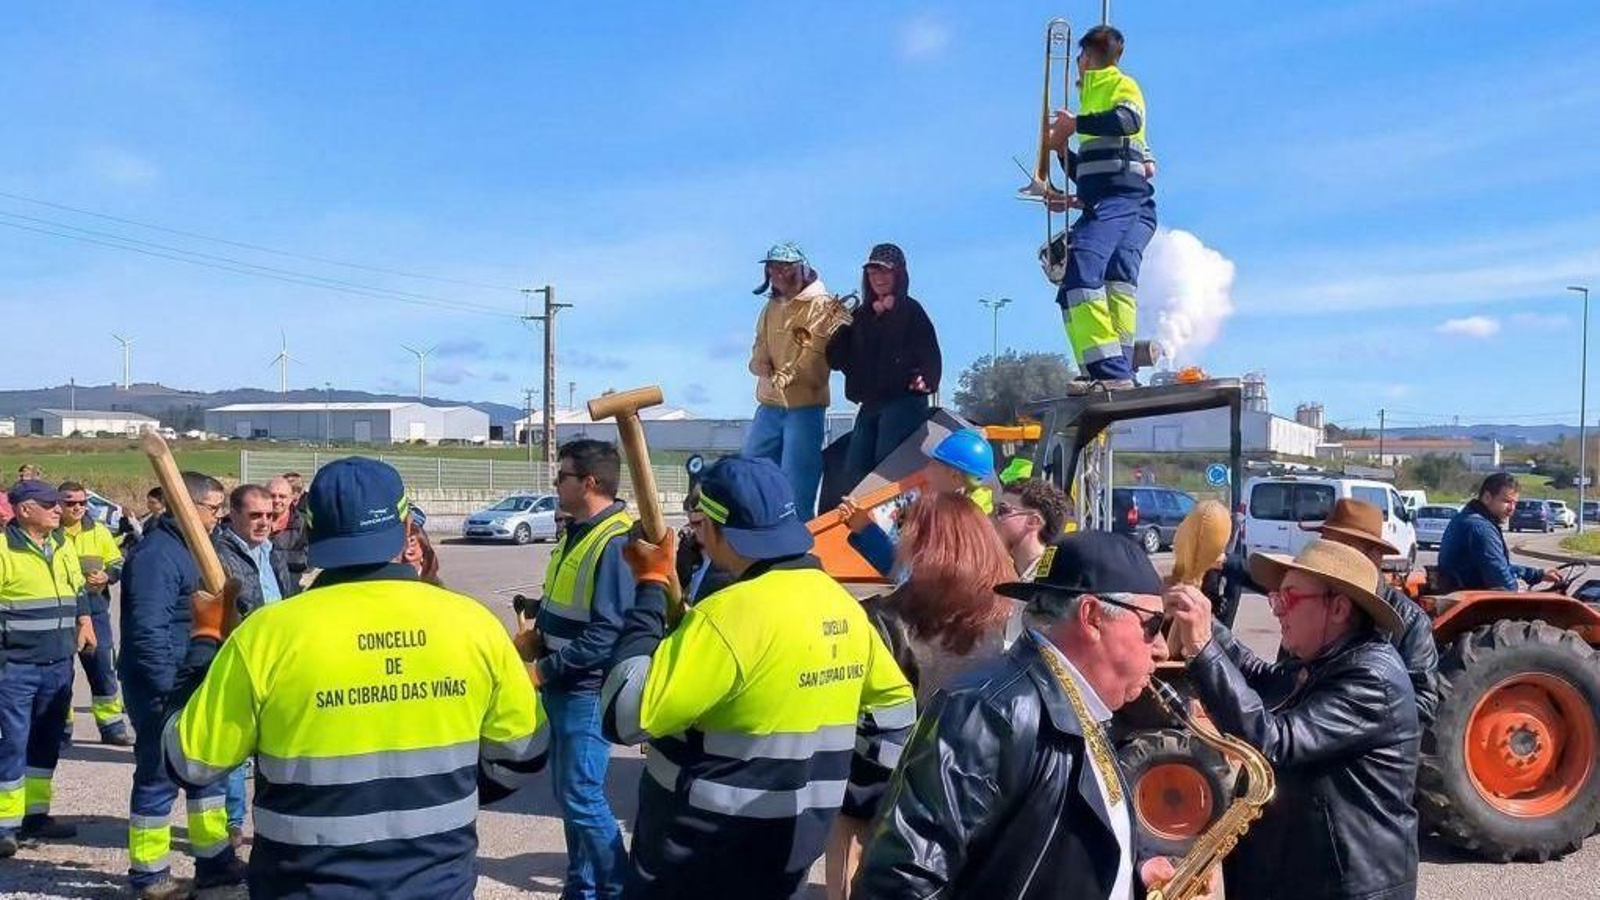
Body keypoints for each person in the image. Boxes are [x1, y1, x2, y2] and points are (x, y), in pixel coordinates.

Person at [159, 458, 548, 898]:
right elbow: (526, 753)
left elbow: (188, 761)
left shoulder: (266, 635)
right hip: (437, 882)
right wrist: (443, 798)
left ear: (307, 529)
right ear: (405, 530)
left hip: (303, 884)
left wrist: (205, 638)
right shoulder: (473, 625)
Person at [600, 455, 915, 899]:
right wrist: (843, 792)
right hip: (790, 850)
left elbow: (622, 714)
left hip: (699, 855)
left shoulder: (725, 618)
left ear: (712, 528)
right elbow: (897, 712)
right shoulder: (839, 604)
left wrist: (651, 587)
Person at [854, 530, 1197, 899]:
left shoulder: (1081, 704)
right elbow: (898, 883)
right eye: (1153, 626)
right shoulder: (987, 711)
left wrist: (1136, 870)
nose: (1162, 648)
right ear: (1093, 616)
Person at [1166, 539, 1420, 900]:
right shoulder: (1329, 658)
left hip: (1347, 888)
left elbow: (1272, 742)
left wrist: (1204, 648)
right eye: (1276, 597)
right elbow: (1258, 676)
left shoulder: (1371, 678)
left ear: (1338, 608)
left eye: (1290, 598)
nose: (1277, 611)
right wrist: (1202, 621)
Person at [832, 493, 1020, 898]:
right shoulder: (1000, 619)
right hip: (972, 783)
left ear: (922, 544)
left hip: (882, 797)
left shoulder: (880, 619)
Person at [119, 471, 245, 897]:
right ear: (188, 506)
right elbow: (147, 632)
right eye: (213, 508)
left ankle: (214, 862)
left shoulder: (193, 550)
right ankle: (150, 874)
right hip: (163, 686)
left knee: (205, 773)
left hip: (194, 680)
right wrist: (166, 689)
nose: (219, 516)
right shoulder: (157, 555)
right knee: (158, 775)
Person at [523, 439, 636, 899]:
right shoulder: (580, 531)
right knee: (573, 798)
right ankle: (581, 886)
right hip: (566, 687)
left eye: (562, 476)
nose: (555, 484)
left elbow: (605, 634)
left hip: (586, 691)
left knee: (582, 797)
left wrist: (544, 670)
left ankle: (616, 887)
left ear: (589, 482)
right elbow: (570, 605)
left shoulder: (614, 542)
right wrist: (538, 629)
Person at [1047, 25, 1158, 393]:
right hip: (1114, 199)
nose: (1075, 66)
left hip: (1123, 199)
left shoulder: (1119, 86)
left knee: (1081, 271)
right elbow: (1091, 173)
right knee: (1116, 282)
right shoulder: (1092, 102)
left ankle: (1110, 372)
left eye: (1078, 59)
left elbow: (1129, 120)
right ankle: (1113, 369)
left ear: (1087, 57)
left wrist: (1074, 125)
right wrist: (1061, 150)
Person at [0, 480, 95, 858]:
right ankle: (6, 825)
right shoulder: (4, 549)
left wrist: (85, 620)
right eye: (49, 504)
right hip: (15, 665)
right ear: (24, 509)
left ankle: (35, 816)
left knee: (46, 740)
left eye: (58, 504)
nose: (59, 510)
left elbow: (77, 590)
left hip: (58, 663)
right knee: (12, 743)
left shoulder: (61, 544)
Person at [212, 483, 301, 847]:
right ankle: (231, 823)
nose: (264, 522)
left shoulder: (271, 550)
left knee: (272, 748)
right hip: (238, 657)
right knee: (234, 751)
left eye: (269, 515)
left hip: (276, 660)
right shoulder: (217, 555)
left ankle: (268, 820)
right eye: (255, 516)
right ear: (232, 515)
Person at [1301, 499, 1440, 727]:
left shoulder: (1410, 621)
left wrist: (1348, 715)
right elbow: (1284, 672)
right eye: (1325, 544)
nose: (1326, 556)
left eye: (1340, 549)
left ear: (1374, 556)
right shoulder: (1313, 603)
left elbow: (1423, 703)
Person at [826, 243, 941, 489]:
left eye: (885, 271)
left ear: (899, 274)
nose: (878, 278)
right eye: (872, 272)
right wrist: (841, 328)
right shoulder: (861, 315)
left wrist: (924, 378)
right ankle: (862, 527)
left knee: (888, 467)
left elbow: (930, 355)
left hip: (904, 401)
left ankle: (897, 524)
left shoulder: (911, 310)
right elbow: (835, 360)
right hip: (871, 404)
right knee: (855, 470)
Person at [744, 241, 844, 520]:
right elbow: (760, 344)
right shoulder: (770, 308)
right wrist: (763, 369)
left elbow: (816, 354)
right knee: (753, 465)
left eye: (784, 267)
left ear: (799, 269)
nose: (777, 273)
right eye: (773, 267)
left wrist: (787, 376)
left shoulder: (823, 305)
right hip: (770, 405)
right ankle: (760, 528)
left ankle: (800, 538)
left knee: (797, 477)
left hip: (805, 406)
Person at [846, 428, 998, 577]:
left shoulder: (949, 524)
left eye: (933, 464)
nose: (926, 469)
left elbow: (911, 578)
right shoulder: (974, 518)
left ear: (954, 476)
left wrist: (865, 529)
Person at [56, 481, 134, 746]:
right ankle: (61, 728)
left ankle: (111, 726)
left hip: (96, 608)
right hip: (62, 612)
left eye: (81, 502)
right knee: (61, 672)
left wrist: (108, 575)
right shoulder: (49, 533)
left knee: (102, 668)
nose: (77, 507)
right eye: (70, 502)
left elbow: (117, 563)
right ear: (58, 503)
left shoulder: (99, 532)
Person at [1437, 472, 1557, 591]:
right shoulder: (1480, 527)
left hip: (1462, 590)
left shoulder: (1468, 518)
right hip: (1474, 600)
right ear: (1487, 497)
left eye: (1515, 503)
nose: (1512, 508)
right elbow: (1502, 582)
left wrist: (1536, 574)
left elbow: (1498, 566)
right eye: (1506, 501)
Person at [993, 477, 1072, 580]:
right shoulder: (1004, 575)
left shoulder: (1055, 580)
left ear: (1033, 521)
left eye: (1002, 510)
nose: (993, 517)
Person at [266, 475, 308, 580]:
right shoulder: (252, 521)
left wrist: (269, 556)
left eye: (282, 496)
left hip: (290, 585)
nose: (276, 500)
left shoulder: (302, 523)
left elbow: (305, 559)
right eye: (272, 496)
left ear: (290, 499)